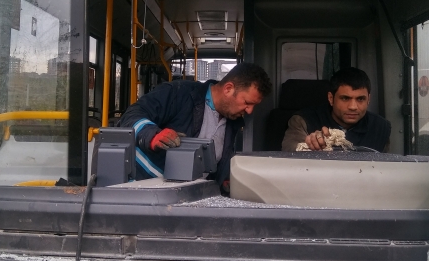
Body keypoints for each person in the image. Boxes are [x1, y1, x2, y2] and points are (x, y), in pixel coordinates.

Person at [118, 62, 272, 192]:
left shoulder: (232, 123)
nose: (249, 111)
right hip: (142, 187)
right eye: (247, 103)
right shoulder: (179, 93)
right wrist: (151, 135)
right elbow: (131, 115)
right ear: (228, 89)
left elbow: (211, 165)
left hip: (186, 197)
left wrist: (224, 179)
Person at [281, 67, 391, 152]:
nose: (353, 107)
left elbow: (385, 168)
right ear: (331, 98)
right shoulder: (303, 121)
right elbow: (290, 155)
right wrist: (311, 144)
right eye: (345, 98)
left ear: (368, 100)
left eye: (360, 99)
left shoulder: (381, 127)